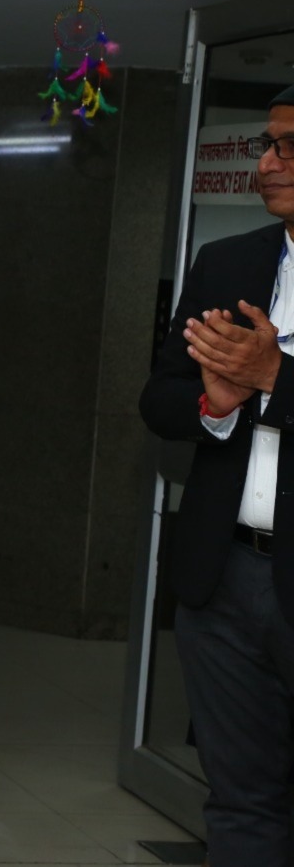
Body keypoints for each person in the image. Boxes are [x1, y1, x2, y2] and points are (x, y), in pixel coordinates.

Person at [139, 84, 294, 865]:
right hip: (223, 578)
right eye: (268, 145)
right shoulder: (228, 262)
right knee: (239, 802)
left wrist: (276, 378)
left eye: (288, 148)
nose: (266, 164)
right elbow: (160, 398)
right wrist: (216, 403)